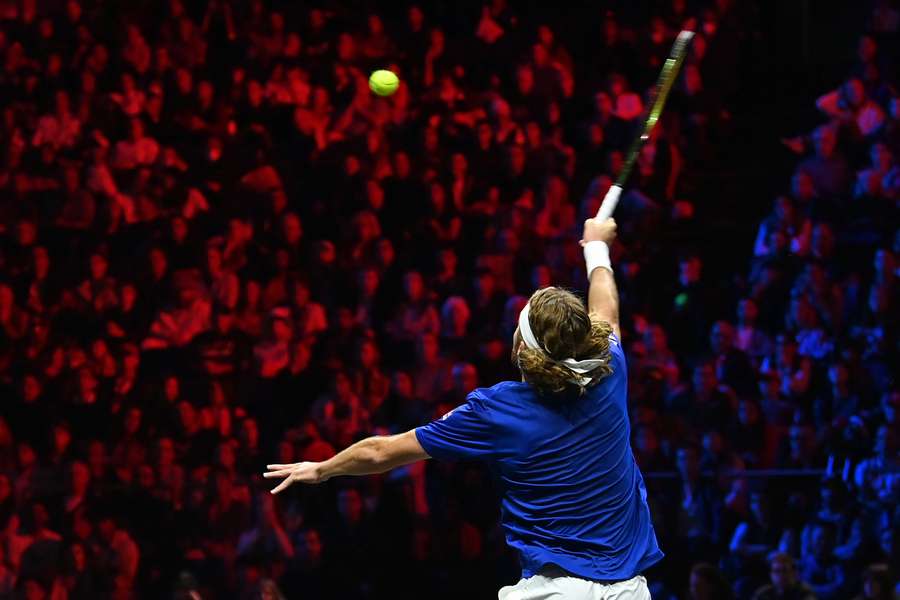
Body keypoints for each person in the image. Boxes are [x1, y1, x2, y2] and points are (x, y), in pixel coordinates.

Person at [265, 217, 663, 598]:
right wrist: (596, 248)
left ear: (523, 347)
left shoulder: (497, 411)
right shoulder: (611, 370)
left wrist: (322, 468)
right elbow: (606, 311)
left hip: (554, 591)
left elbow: (382, 451)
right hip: (630, 590)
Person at [751, 553, 817, 600]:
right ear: (771, 575)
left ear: (794, 573)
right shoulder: (763, 594)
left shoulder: (805, 593)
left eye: (785, 571)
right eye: (777, 571)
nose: (781, 575)